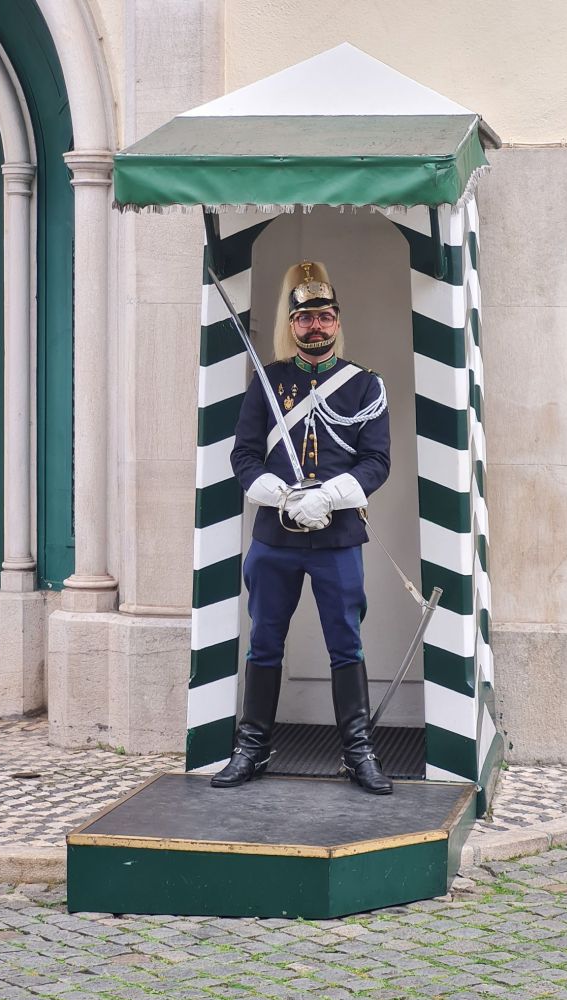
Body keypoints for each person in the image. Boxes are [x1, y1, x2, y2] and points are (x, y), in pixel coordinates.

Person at [211, 261, 393, 794]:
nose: (316, 326)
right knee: (264, 641)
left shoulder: (364, 386)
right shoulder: (269, 383)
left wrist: (330, 496)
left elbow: (377, 462)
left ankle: (358, 753)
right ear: (292, 324)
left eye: (325, 316)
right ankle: (251, 748)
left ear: (338, 320)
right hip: (276, 538)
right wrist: (282, 494)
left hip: (337, 539)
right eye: (305, 318)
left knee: (346, 644)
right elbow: (244, 456)